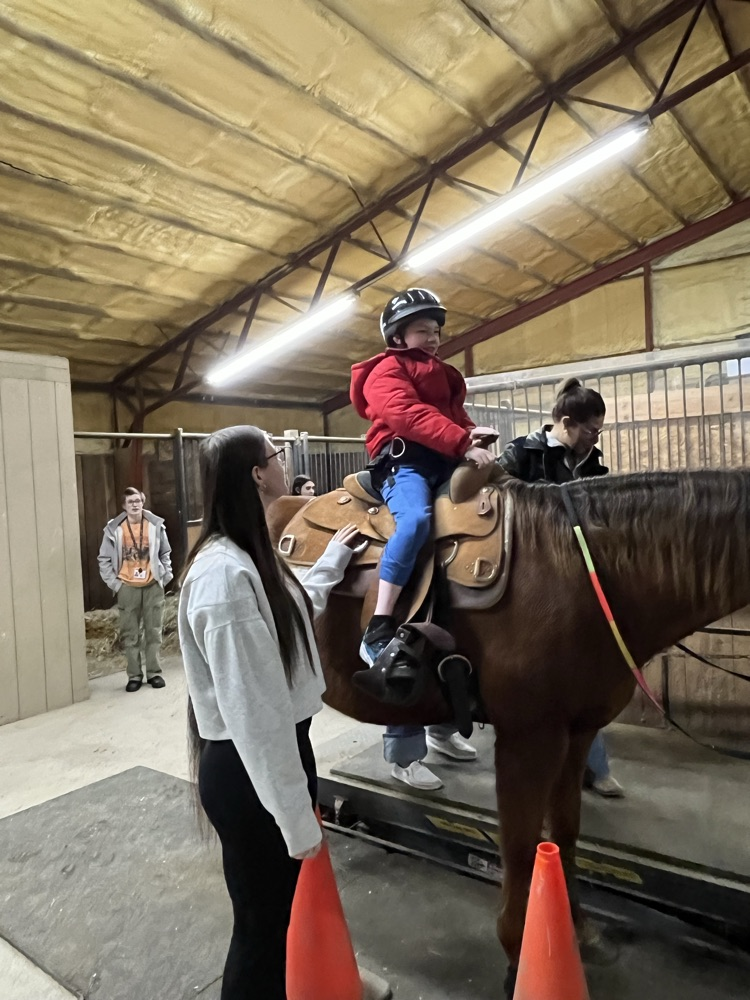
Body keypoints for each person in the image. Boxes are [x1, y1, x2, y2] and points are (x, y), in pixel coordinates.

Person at [178, 426, 361, 1000]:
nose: (283, 464)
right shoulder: (223, 578)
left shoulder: (248, 554)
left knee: (277, 914)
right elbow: (255, 715)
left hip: (272, 757)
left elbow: (293, 610)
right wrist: (295, 816)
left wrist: (331, 562)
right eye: (276, 456)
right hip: (251, 767)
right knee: (259, 929)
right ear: (259, 475)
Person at [349, 288, 495, 789]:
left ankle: (442, 723)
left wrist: (475, 437)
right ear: (397, 335)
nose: (432, 338)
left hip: (443, 462)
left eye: (436, 331)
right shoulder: (384, 371)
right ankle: (381, 624)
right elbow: (405, 416)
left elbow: (457, 420)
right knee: (412, 525)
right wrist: (460, 441)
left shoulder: (447, 375)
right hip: (404, 462)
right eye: (421, 330)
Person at [497, 377, 625, 798]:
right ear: (567, 422)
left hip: (574, 574)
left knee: (582, 671)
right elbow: (495, 500)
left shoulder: (592, 460)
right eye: (590, 430)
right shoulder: (520, 453)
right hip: (523, 572)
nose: (595, 438)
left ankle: (593, 765)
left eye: (599, 430)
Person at [97, 487, 173, 692]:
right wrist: (115, 584)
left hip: (152, 585)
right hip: (127, 587)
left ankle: (154, 673)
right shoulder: (114, 529)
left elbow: (165, 552)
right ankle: (134, 675)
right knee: (130, 634)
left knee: (154, 632)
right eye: (130, 501)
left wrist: (165, 576)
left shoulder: (155, 526)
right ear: (124, 505)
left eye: (138, 500)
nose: (135, 504)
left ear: (143, 502)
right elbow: (103, 559)